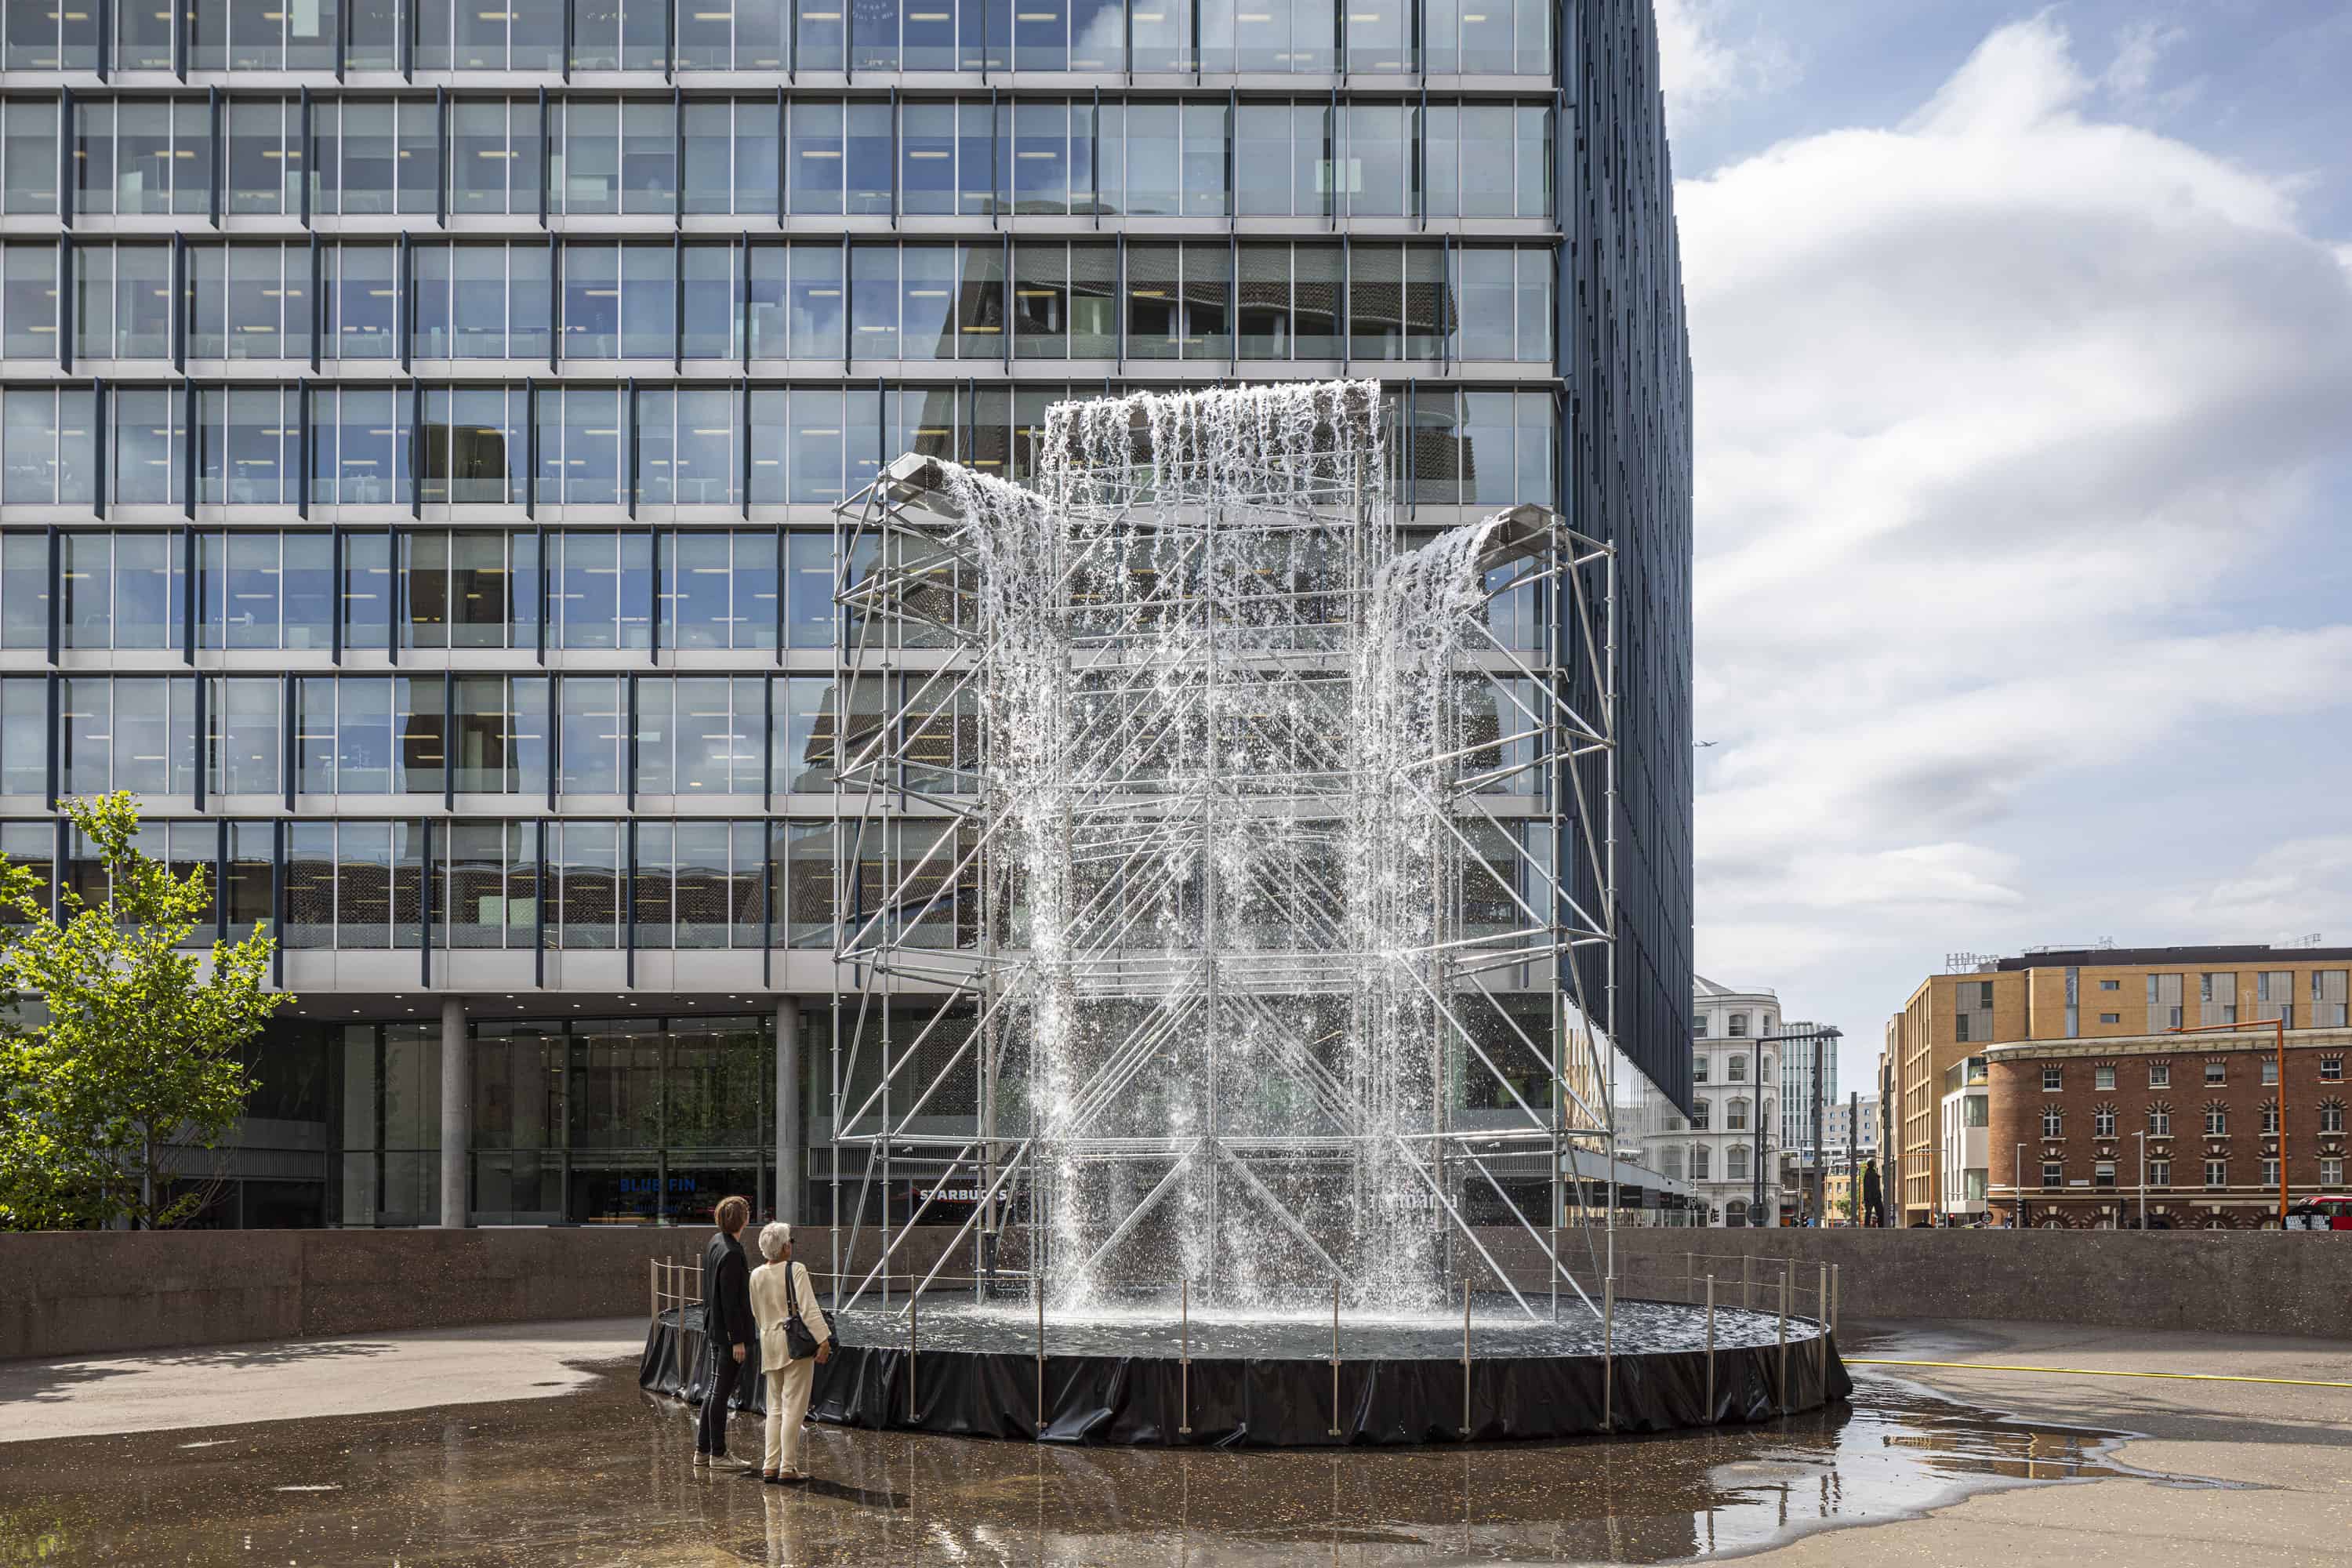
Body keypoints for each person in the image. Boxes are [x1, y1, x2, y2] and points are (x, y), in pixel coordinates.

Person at [749, 1220, 833, 1483]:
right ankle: (788, 1466)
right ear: (785, 1247)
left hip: (770, 1342)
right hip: (795, 1344)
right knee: (793, 1408)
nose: (792, 1246)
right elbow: (808, 1309)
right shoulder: (796, 1269)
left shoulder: (756, 1274)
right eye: (791, 1242)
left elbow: (757, 1313)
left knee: (774, 1408)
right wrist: (824, 1340)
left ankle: (769, 1465)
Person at [695, 1195, 757, 1469]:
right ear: (743, 1219)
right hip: (727, 1335)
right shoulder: (732, 1252)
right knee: (720, 1392)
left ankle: (703, 1450)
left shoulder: (716, 1242)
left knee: (714, 1389)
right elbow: (731, 1302)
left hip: (715, 1329)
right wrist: (738, 1340)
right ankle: (718, 1455)